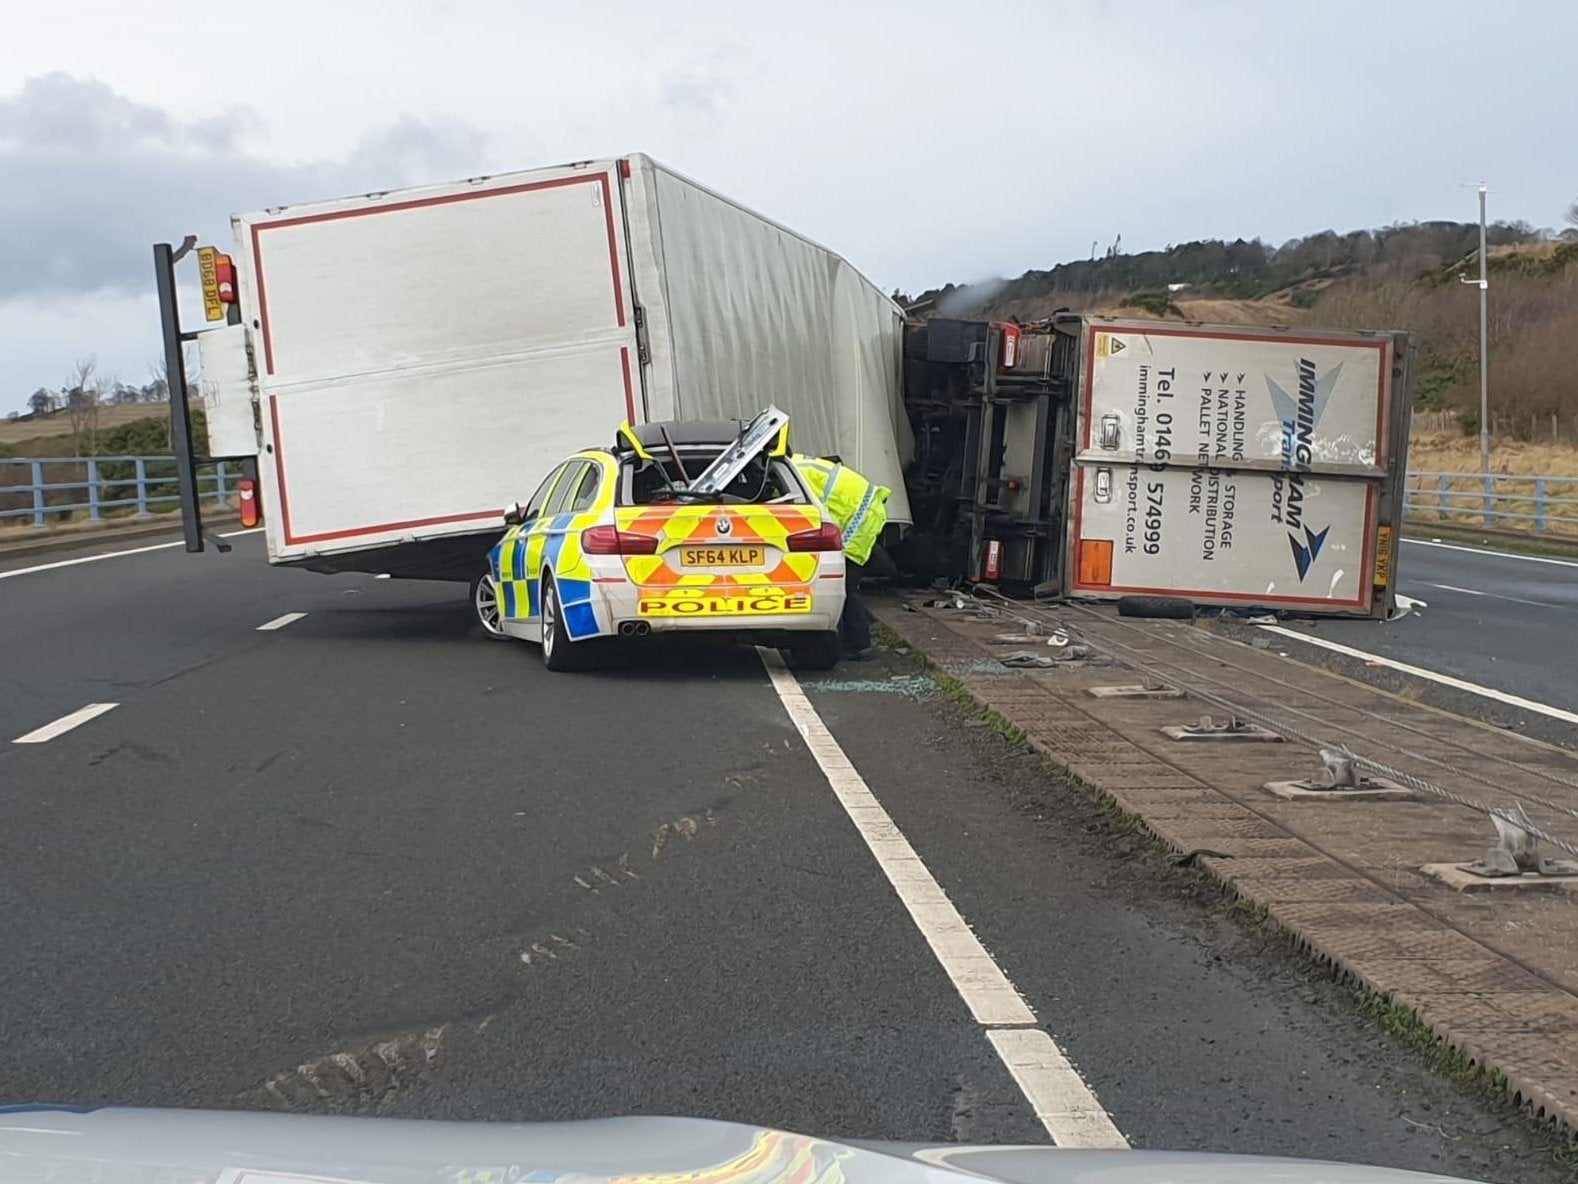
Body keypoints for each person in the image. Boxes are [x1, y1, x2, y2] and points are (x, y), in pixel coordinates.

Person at [789, 453, 890, 660]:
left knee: (846, 584)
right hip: (863, 507)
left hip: (862, 515)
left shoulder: (792, 475)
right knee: (844, 581)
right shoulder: (794, 464)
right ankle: (850, 640)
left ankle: (859, 645)